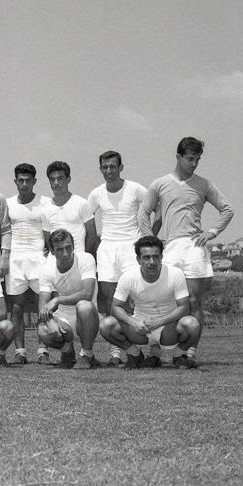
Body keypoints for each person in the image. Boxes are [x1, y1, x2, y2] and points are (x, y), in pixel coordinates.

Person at [138, 137, 233, 367]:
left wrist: (212, 232)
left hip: (193, 248)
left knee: (193, 301)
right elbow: (143, 213)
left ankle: (188, 354)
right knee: (162, 300)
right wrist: (152, 241)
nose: (194, 163)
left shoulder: (204, 184)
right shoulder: (159, 184)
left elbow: (227, 210)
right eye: (190, 159)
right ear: (178, 157)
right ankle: (155, 352)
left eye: (197, 159)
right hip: (169, 248)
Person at [99, 236, 201, 369]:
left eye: (155, 257)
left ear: (161, 257)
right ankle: (134, 354)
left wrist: (158, 322)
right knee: (106, 325)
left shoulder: (175, 274)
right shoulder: (128, 277)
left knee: (193, 324)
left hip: (168, 329)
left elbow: (184, 307)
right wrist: (132, 322)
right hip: (140, 328)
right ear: (138, 259)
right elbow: (115, 307)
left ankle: (179, 355)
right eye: (146, 257)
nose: (152, 262)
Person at [87, 150, 149, 367]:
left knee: (135, 298)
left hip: (131, 247)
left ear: (121, 167)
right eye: (105, 167)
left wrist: (148, 237)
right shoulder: (96, 194)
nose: (109, 170)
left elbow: (156, 209)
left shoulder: (135, 189)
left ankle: (150, 347)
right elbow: (85, 219)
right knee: (110, 300)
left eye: (113, 166)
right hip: (106, 249)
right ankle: (117, 353)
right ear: (100, 169)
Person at [5, 163, 52, 365]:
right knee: (17, 308)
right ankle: (20, 352)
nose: (24, 184)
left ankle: (43, 350)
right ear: (15, 181)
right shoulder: (7, 203)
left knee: (42, 306)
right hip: (15, 260)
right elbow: (3, 231)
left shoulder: (45, 202)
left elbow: (50, 230)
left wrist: (49, 250)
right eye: (20, 180)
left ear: (34, 181)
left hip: (39, 259)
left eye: (28, 180)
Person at [37, 229, 100, 369]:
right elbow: (42, 305)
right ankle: (68, 352)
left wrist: (57, 300)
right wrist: (50, 321)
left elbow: (87, 294)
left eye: (68, 247)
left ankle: (87, 356)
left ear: (73, 246)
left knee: (84, 306)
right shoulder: (46, 269)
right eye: (60, 249)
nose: (65, 253)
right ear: (52, 251)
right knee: (42, 331)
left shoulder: (86, 259)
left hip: (88, 315)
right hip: (64, 317)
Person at [41, 161, 97, 255]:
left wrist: (82, 255)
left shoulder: (81, 203)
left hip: (79, 256)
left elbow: (92, 236)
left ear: (68, 179)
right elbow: (49, 241)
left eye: (60, 179)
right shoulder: (45, 210)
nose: (56, 183)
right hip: (57, 260)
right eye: (52, 179)